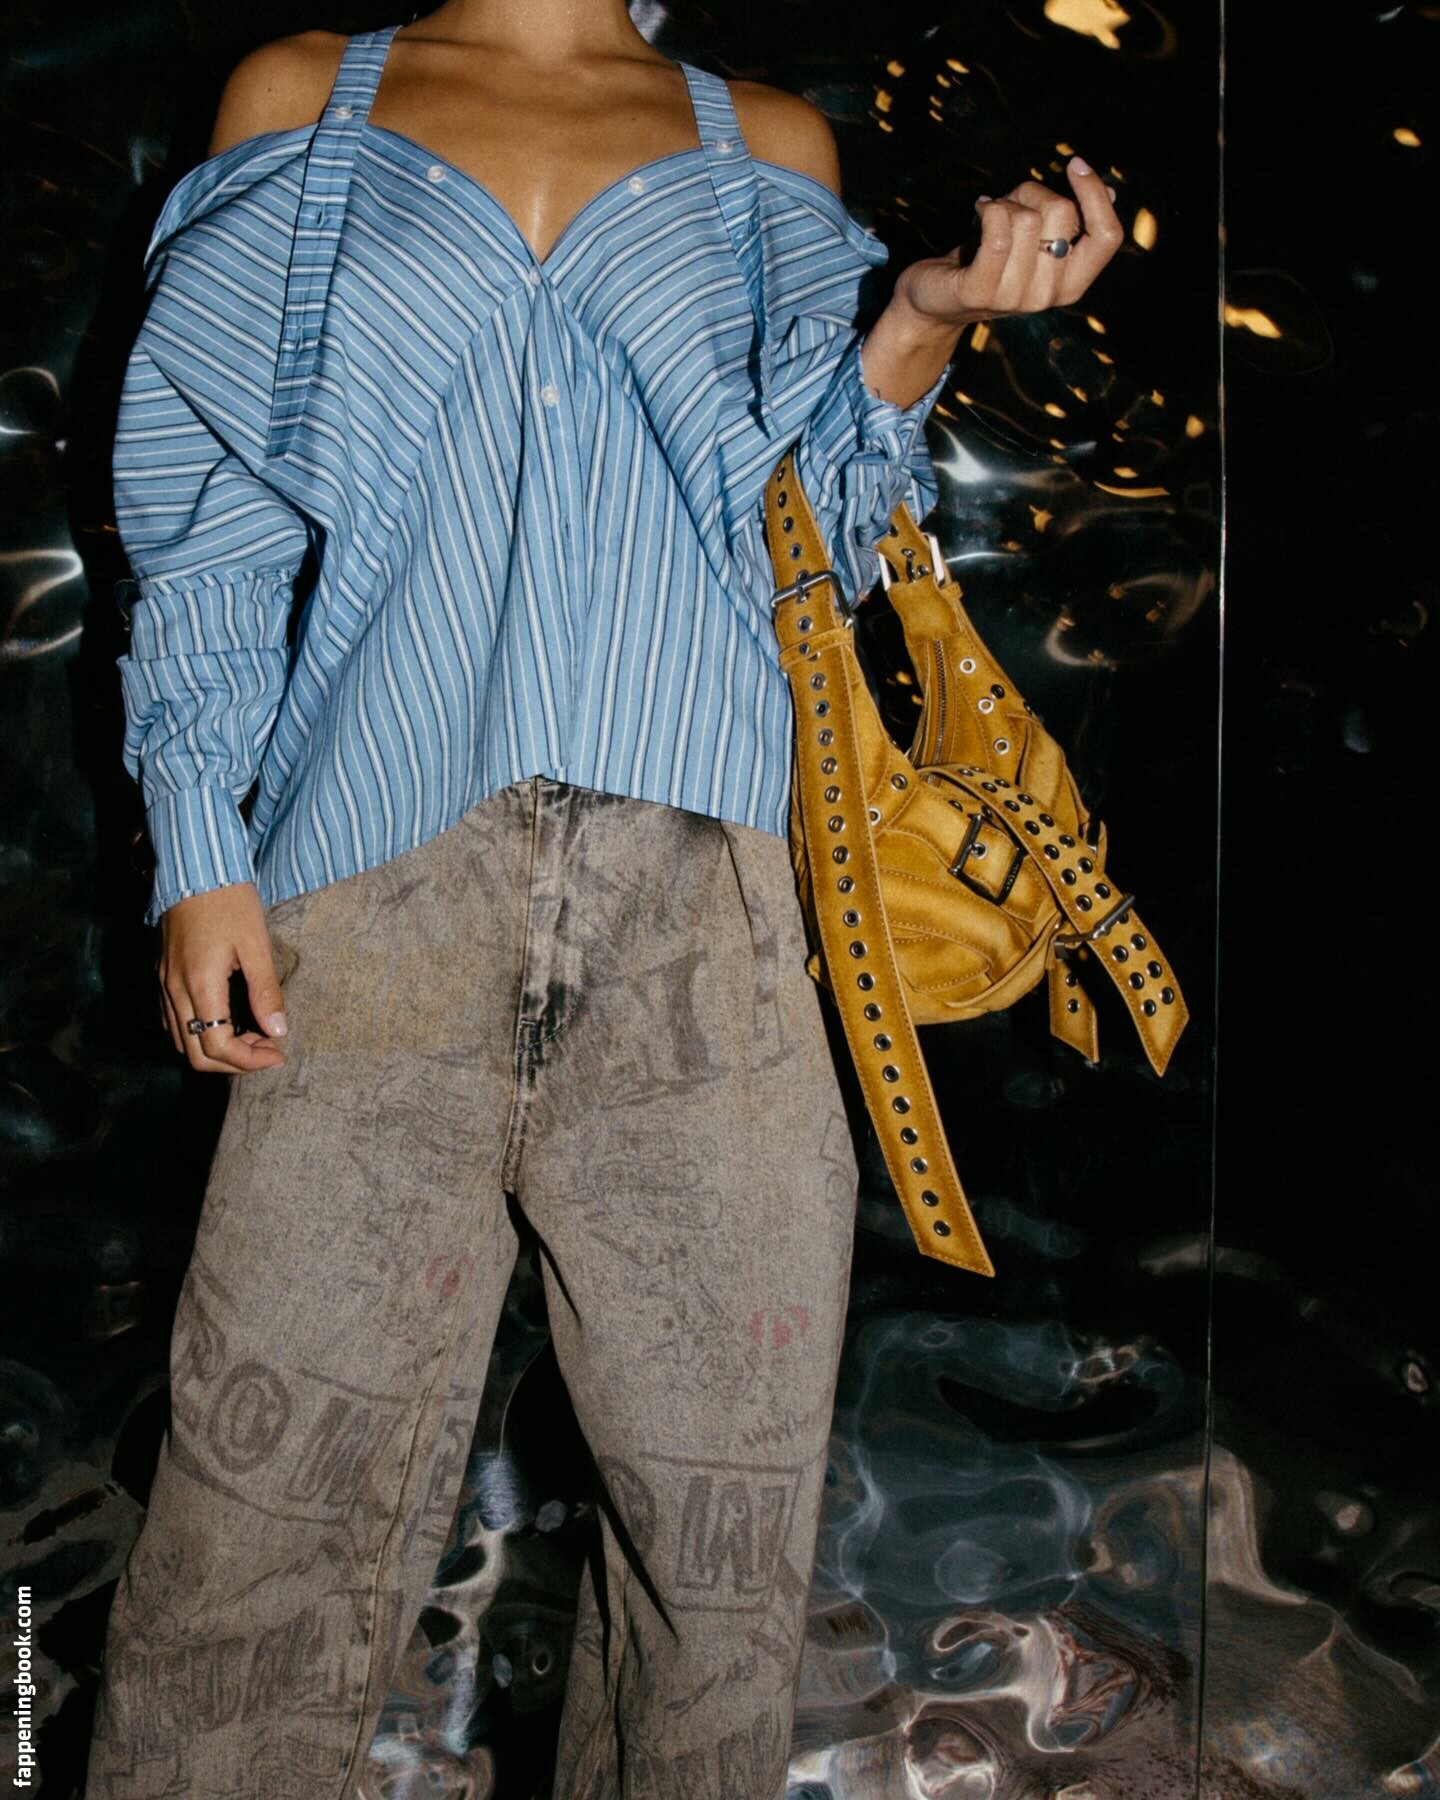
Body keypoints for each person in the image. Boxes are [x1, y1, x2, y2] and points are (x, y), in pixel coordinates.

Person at [84, 5, 1121, 1796]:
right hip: (373, 892)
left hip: (706, 907)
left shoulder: (760, 145)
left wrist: (921, 321)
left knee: (716, 1552)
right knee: (258, 1516)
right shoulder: (302, 99)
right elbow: (210, 519)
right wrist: (200, 844)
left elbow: (806, 537)